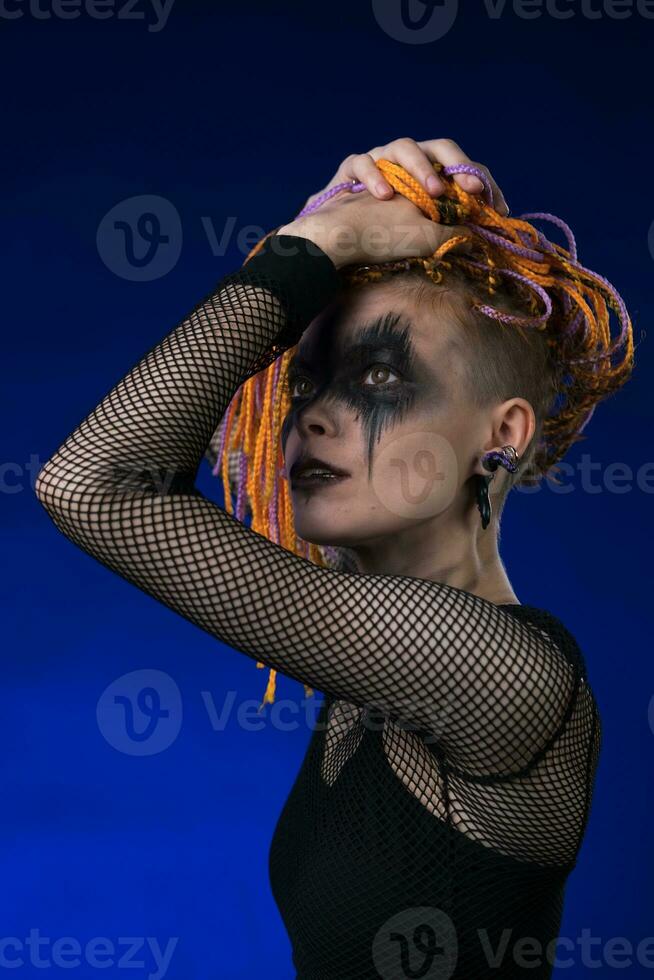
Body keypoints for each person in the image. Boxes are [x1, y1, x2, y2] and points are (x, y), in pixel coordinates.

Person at [35, 137, 634, 979]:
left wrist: (318, 248)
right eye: (308, 383)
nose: (314, 417)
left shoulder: (497, 669)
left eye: (383, 378)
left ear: (502, 435)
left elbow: (95, 485)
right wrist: (320, 239)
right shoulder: (371, 645)